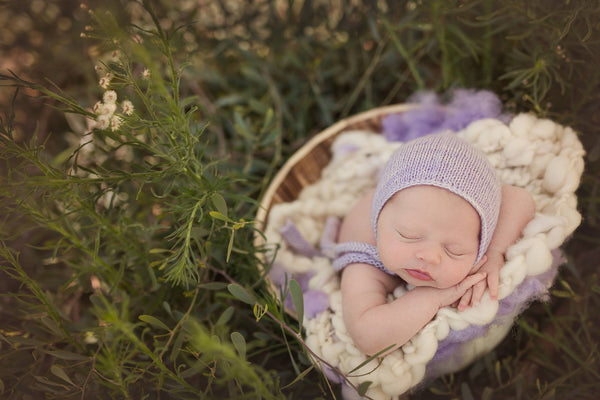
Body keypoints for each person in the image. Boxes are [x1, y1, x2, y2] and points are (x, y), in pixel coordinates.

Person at [334, 132, 535, 356]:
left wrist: (495, 252)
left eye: (454, 250)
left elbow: (520, 198)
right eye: (409, 235)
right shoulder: (366, 260)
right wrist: (432, 297)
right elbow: (368, 337)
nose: (429, 257)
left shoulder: (465, 221)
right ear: (378, 218)